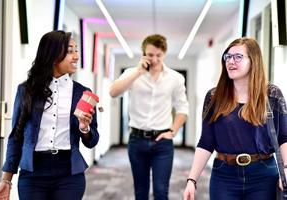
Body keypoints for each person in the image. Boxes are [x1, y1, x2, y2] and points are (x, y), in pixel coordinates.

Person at [0, 30, 99, 200]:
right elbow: (16, 137)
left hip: (69, 174)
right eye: (70, 51)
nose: (76, 56)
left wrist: (84, 128)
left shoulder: (83, 93)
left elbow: (92, 140)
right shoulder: (27, 90)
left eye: (76, 50)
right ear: (53, 54)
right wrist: (6, 180)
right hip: (33, 173)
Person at [183, 37, 287, 200]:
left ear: (254, 61)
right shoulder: (214, 96)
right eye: (228, 57)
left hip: (263, 174)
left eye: (238, 57)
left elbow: (283, 137)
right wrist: (192, 179)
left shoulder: (271, 95)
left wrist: (286, 170)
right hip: (225, 176)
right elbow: (206, 142)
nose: (231, 61)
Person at [110, 34, 189, 200]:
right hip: (136, 141)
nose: (154, 59)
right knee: (141, 192)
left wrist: (173, 131)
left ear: (164, 54)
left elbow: (183, 109)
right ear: (143, 54)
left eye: (158, 55)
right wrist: (138, 72)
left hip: (162, 143)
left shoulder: (175, 78)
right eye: (150, 55)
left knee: (161, 192)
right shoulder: (132, 73)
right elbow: (113, 92)